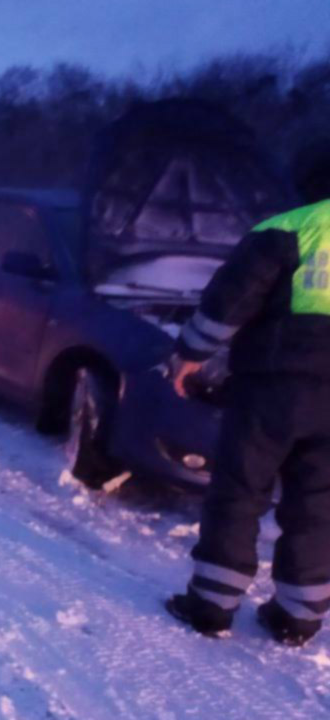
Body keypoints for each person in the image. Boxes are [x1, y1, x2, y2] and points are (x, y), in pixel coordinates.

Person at [165, 143, 330, 646]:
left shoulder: (287, 228)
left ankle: (211, 606)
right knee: (320, 502)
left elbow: (228, 304)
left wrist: (189, 354)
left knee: (240, 488)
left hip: (276, 385)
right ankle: (298, 617)